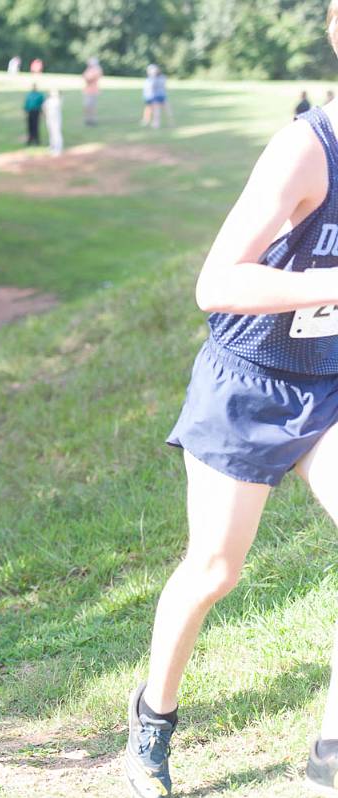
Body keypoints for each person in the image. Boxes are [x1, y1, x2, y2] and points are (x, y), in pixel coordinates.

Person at [125, 6, 338, 796]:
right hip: (249, 382)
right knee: (214, 569)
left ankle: (330, 749)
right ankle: (153, 715)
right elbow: (214, 285)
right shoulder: (305, 150)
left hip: (330, 379)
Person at [141, 64, 165, 129]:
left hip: (156, 96)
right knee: (148, 108)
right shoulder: (149, 78)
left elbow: (156, 86)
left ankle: (156, 123)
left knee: (157, 110)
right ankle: (146, 120)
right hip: (149, 96)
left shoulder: (159, 78)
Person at [83, 57, 103, 126]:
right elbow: (85, 76)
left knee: (92, 106)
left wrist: (87, 78)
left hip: (93, 91)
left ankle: (92, 120)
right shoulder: (89, 69)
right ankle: (88, 119)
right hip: (88, 90)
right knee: (87, 106)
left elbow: (89, 79)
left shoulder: (97, 69)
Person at [45, 88, 64, 155]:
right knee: (51, 133)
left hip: (56, 119)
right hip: (49, 119)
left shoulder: (57, 100)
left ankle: (58, 148)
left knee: (56, 133)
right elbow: (45, 108)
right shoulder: (48, 100)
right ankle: (52, 146)